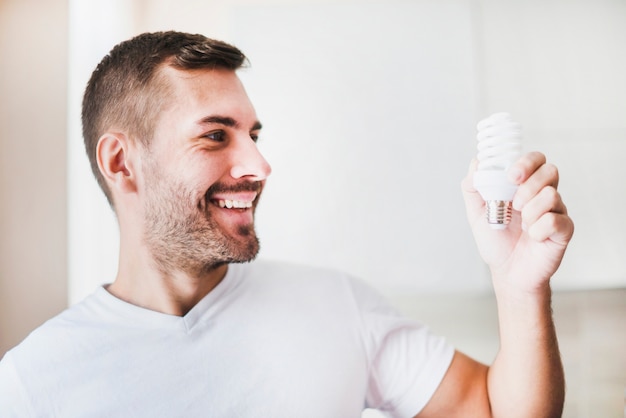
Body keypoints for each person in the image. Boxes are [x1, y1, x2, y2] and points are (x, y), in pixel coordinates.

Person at [0, 31, 574, 417]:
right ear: (122, 163)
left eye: (254, 135)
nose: (258, 166)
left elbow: (498, 410)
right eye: (215, 134)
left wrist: (518, 286)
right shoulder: (32, 384)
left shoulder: (336, 305)